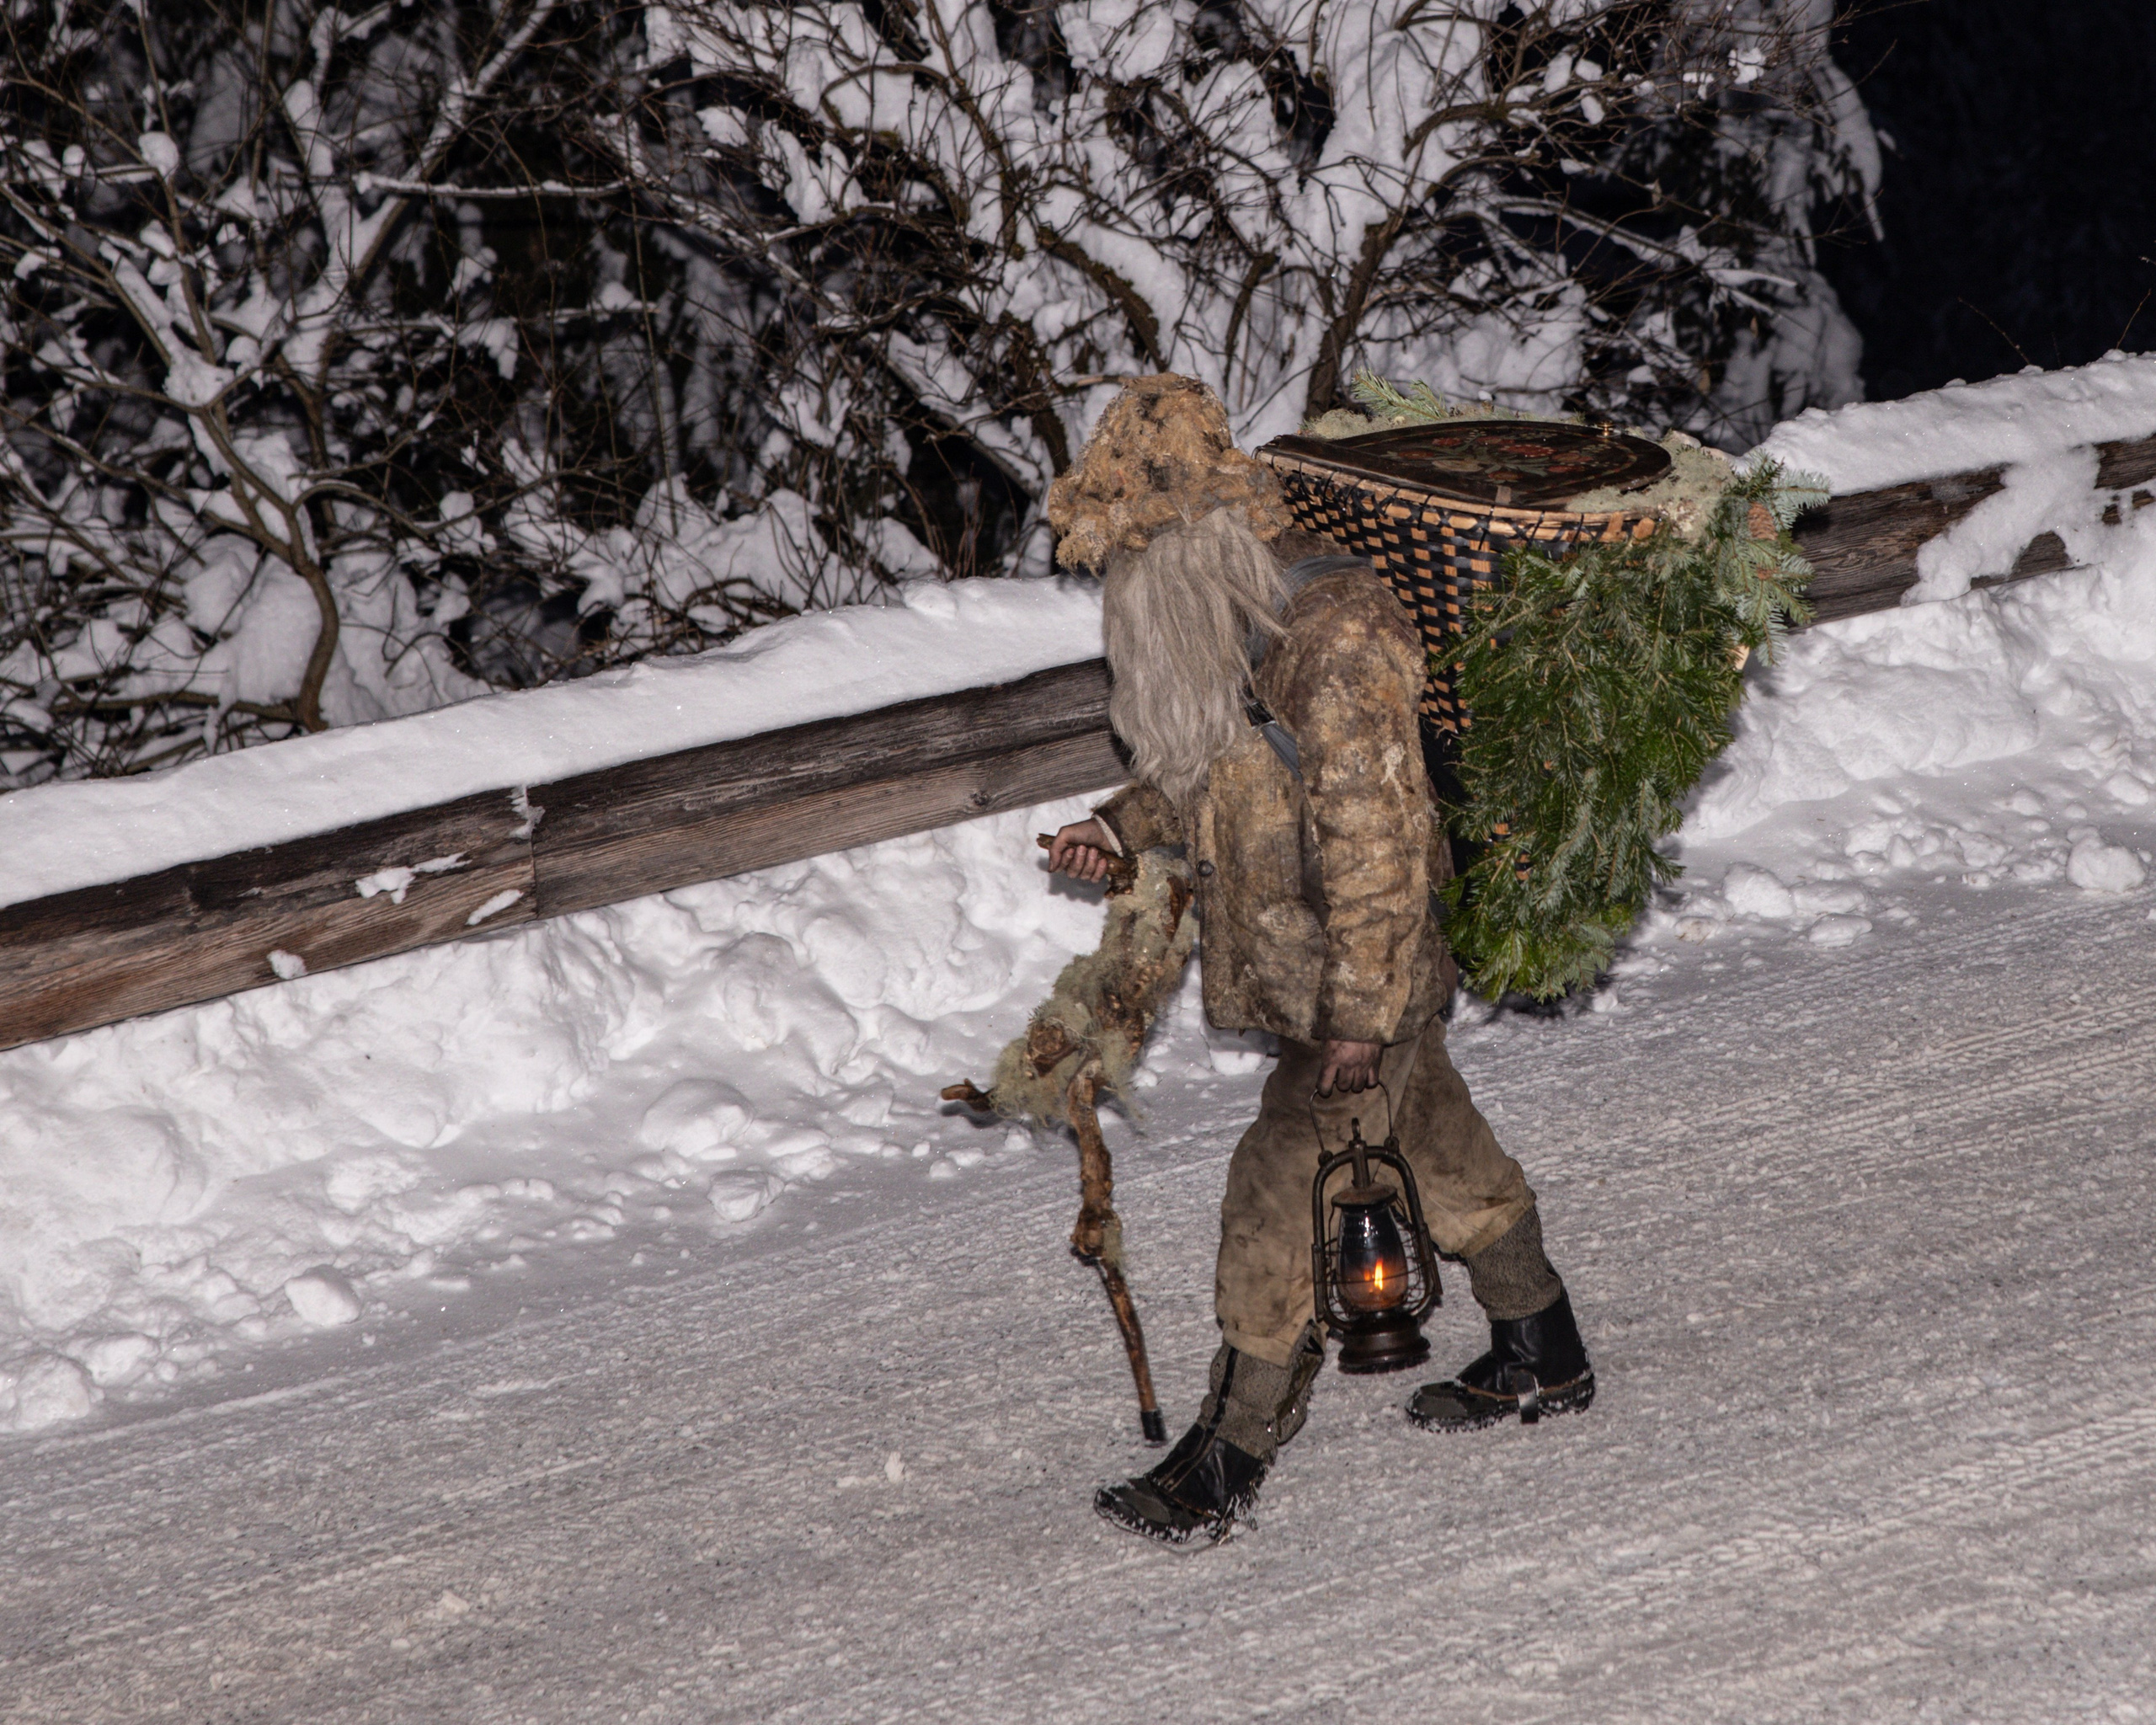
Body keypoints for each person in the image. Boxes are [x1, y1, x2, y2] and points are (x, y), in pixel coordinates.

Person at [1039, 375, 1593, 1547]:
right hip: (1315, 970)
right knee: (1431, 1138)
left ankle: (1229, 1453)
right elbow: (1223, 758)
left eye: (1137, 562)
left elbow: (1381, 845)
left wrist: (1359, 1016)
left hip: (1361, 971)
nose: (1126, 593)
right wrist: (1123, 827)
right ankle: (1540, 1344)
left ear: (1189, 537)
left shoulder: (1335, 643)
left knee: (1279, 1187)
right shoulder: (1236, 602)